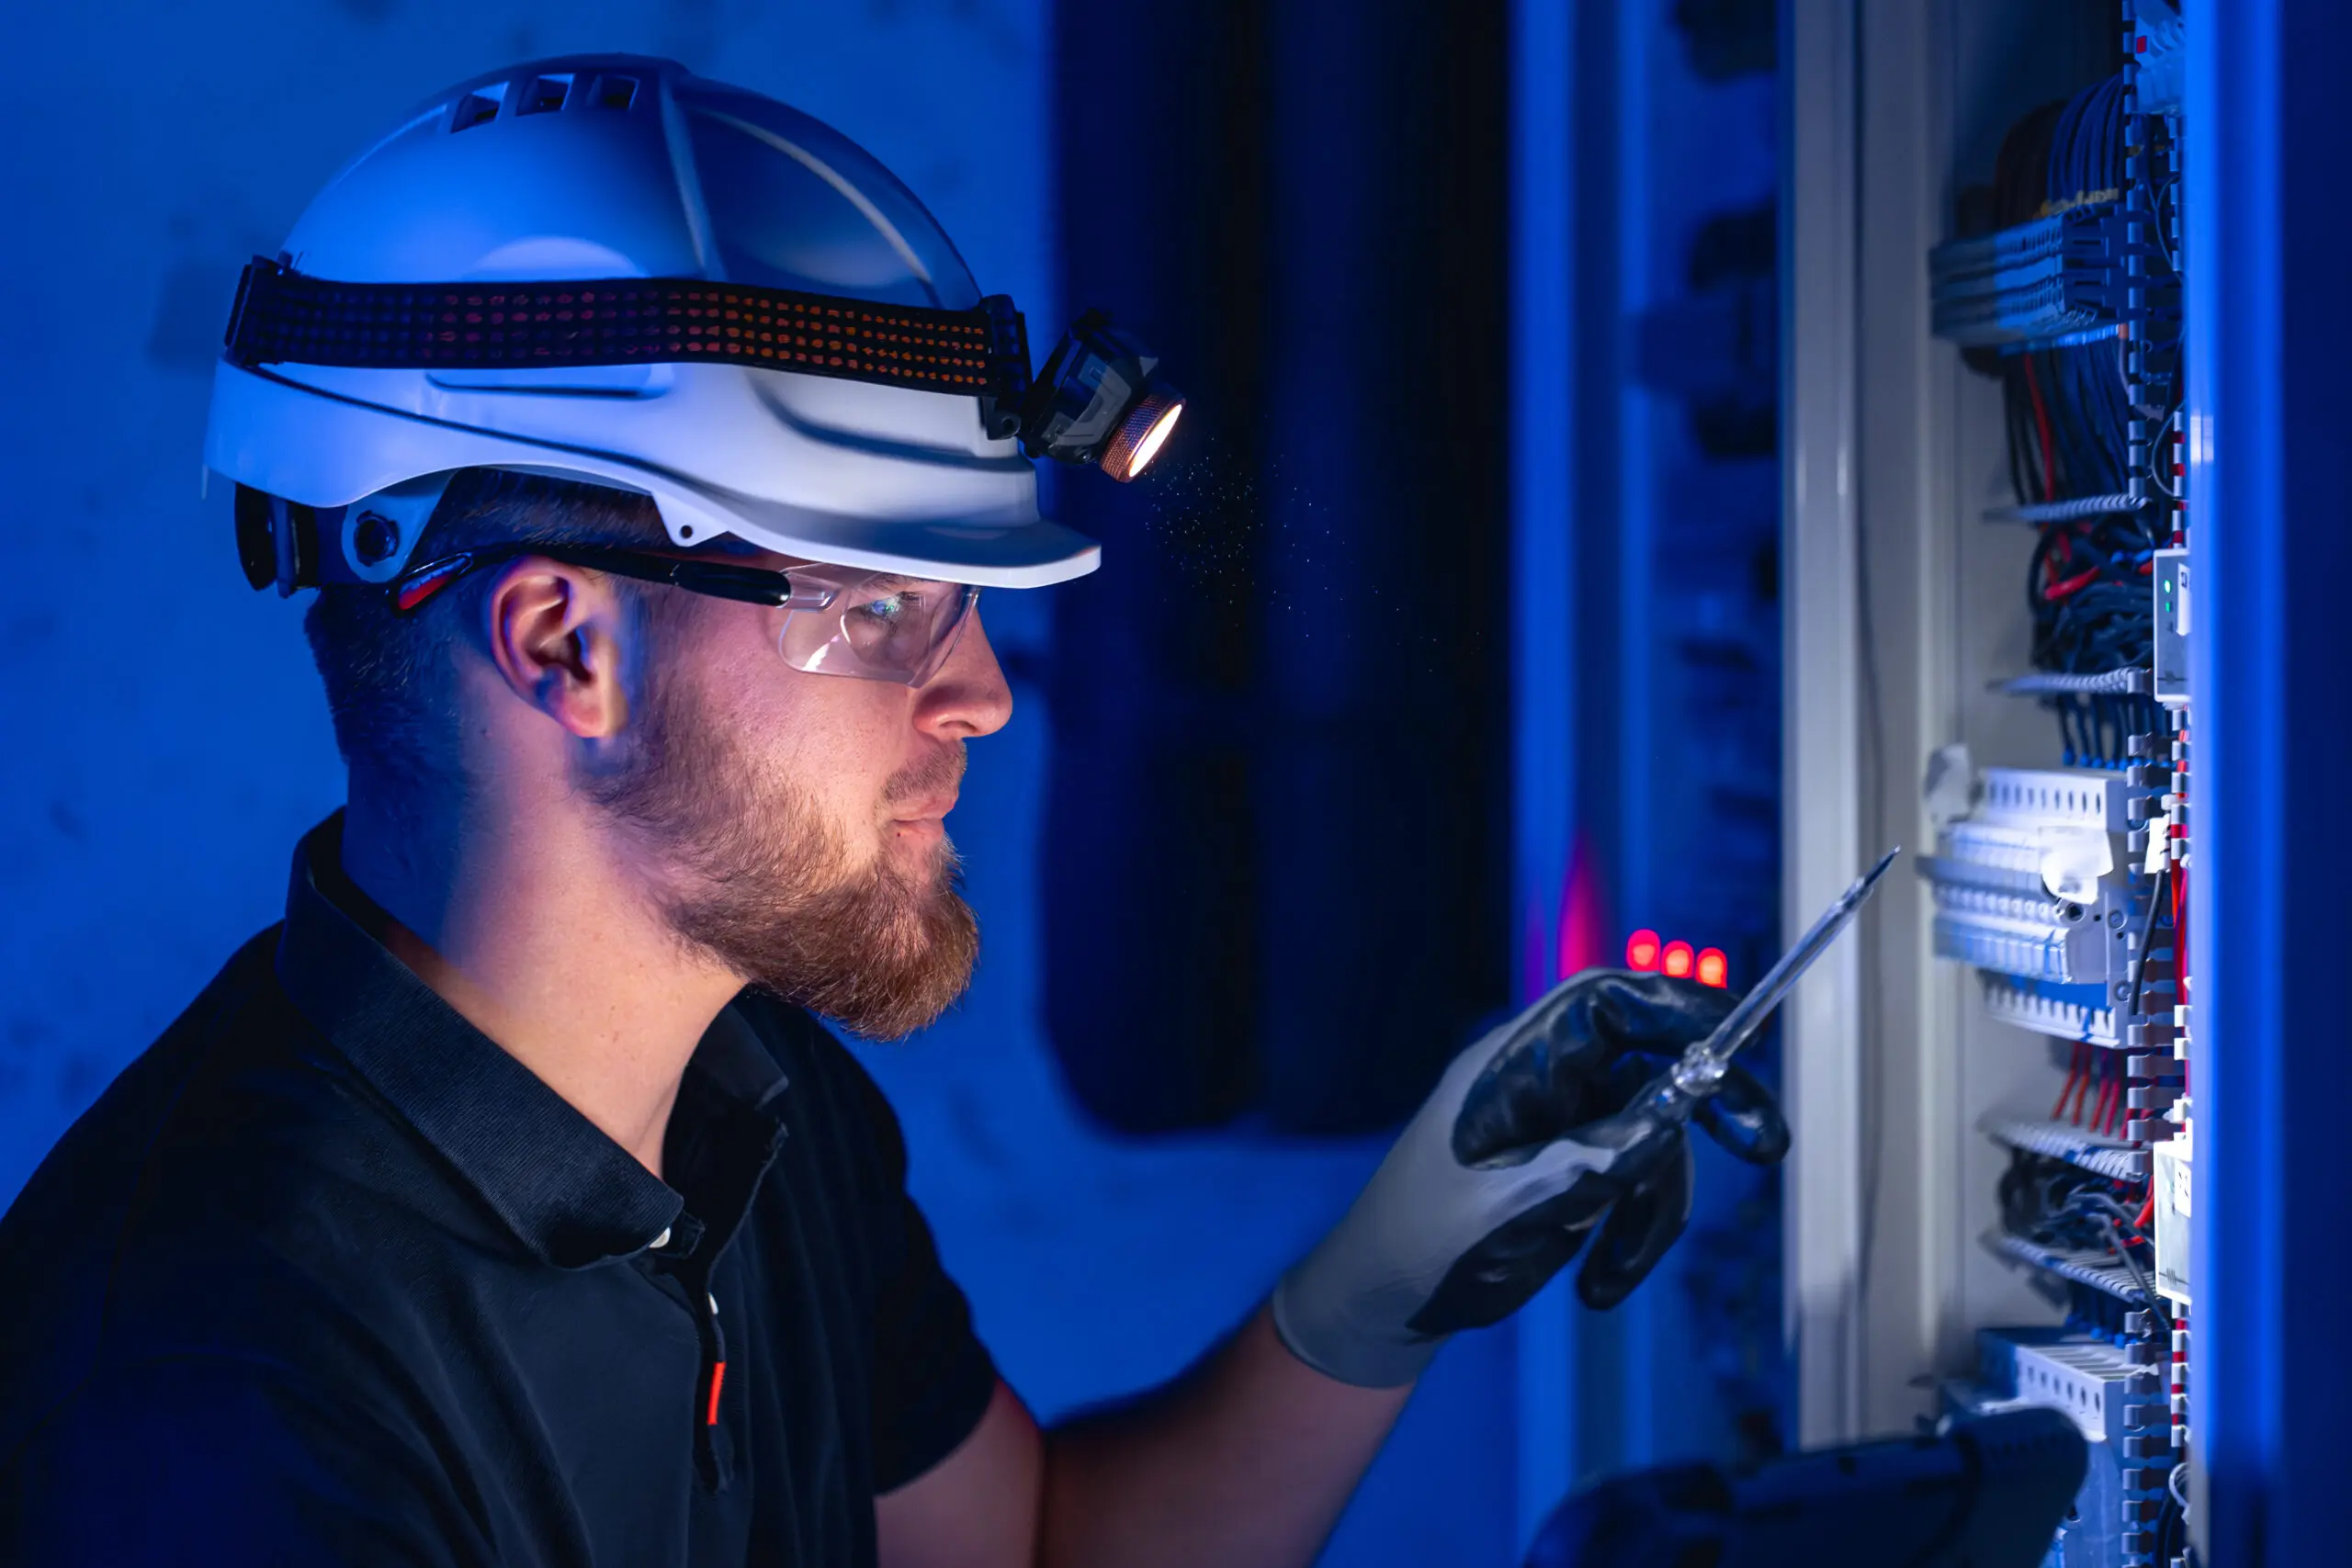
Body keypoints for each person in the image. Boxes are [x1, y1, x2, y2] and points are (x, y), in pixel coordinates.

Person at [0, 56, 1789, 1568]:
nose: (986, 695)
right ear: (567, 644)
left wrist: (1374, 1287)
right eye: (879, 604)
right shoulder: (218, 1400)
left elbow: (1030, 1549)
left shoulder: (751, 1101)